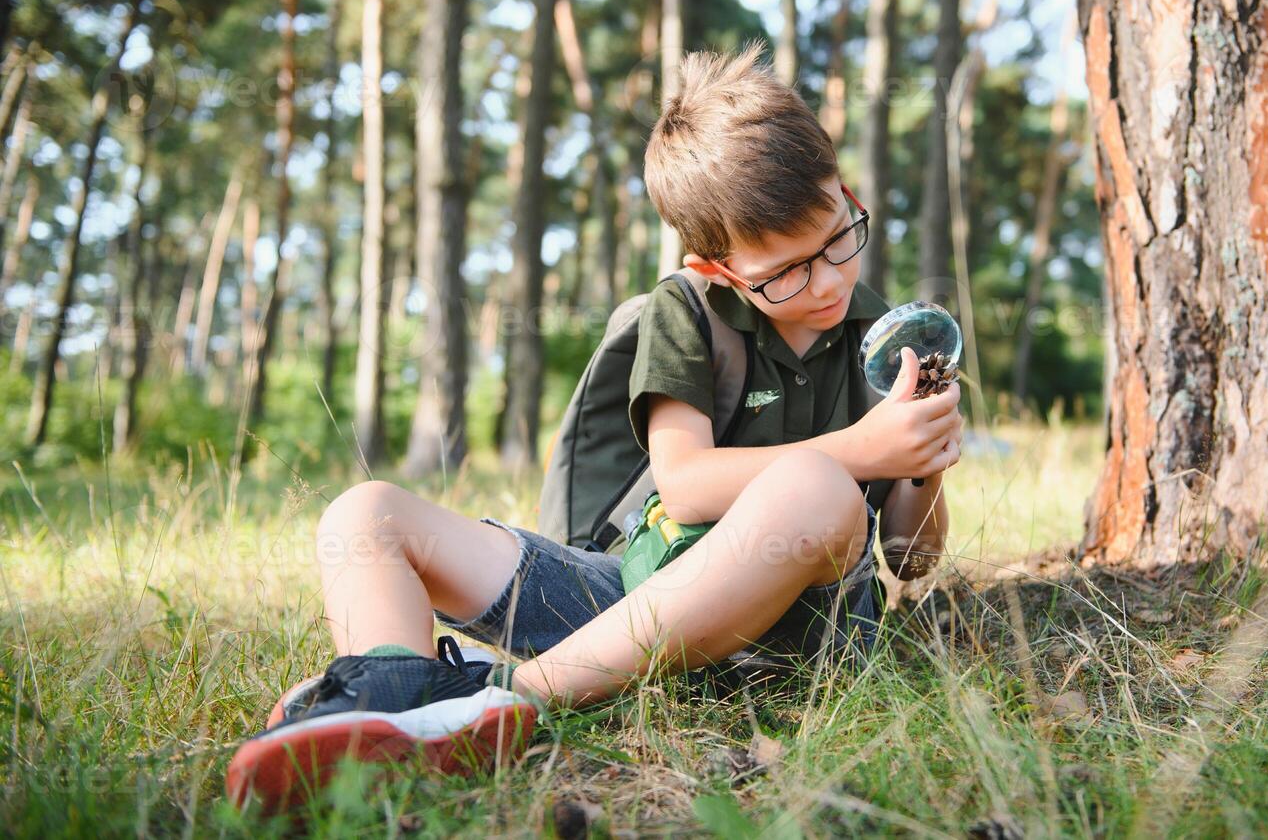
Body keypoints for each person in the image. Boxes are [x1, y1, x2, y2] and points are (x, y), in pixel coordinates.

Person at [225, 43, 962, 811]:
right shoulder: (688, 311)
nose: (830, 279)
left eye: (840, 236)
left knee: (814, 489)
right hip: (634, 605)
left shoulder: (886, 337)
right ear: (713, 268)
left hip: (793, 642)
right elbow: (683, 487)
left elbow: (910, 561)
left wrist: (921, 462)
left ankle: (498, 700)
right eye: (785, 273)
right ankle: (387, 705)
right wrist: (859, 448)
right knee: (364, 513)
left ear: (842, 191)